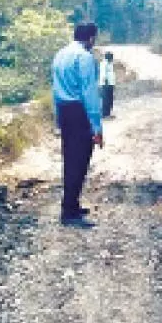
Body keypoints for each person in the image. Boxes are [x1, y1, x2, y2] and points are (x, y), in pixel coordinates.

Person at [51, 23, 103, 227]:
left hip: (64, 111)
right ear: (90, 38)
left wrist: (58, 119)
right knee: (79, 161)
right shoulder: (84, 57)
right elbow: (89, 94)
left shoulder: (60, 54)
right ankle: (69, 211)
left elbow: (55, 90)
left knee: (69, 159)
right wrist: (96, 128)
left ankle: (72, 204)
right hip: (79, 112)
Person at [99, 51, 115, 118]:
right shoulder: (104, 63)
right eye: (111, 57)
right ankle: (104, 114)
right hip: (106, 84)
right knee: (106, 100)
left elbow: (111, 74)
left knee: (110, 99)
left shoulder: (110, 63)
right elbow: (103, 74)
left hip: (110, 84)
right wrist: (106, 83)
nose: (112, 58)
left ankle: (108, 113)